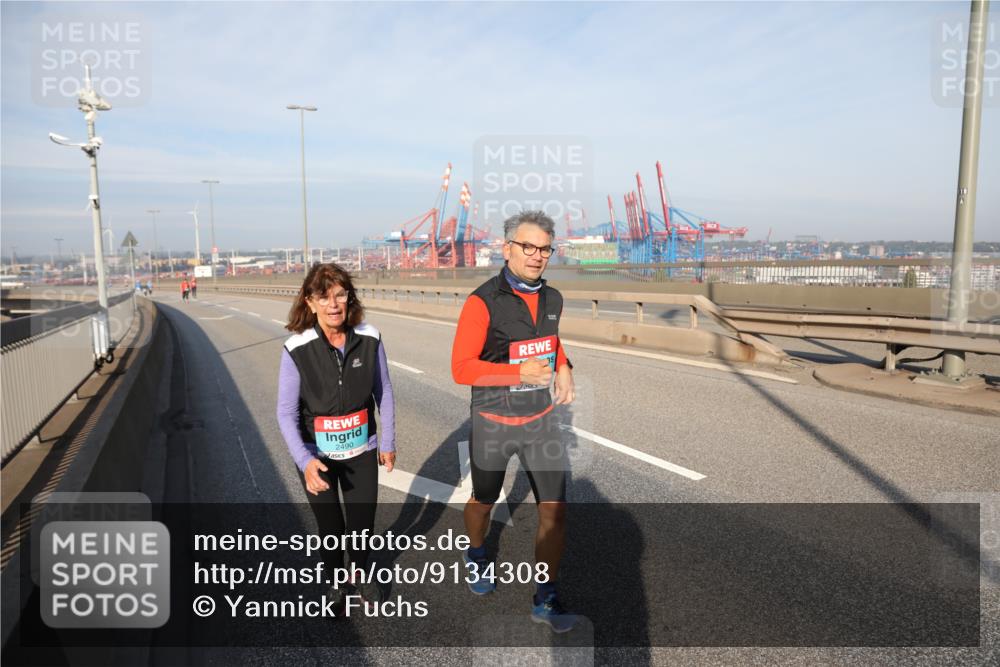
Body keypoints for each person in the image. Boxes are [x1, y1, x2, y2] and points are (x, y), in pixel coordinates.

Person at [451, 210, 577, 632]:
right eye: (528, 247)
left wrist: (564, 365)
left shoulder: (554, 299)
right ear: (507, 249)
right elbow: (461, 368)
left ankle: (546, 594)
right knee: (483, 501)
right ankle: (477, 551)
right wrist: (517, 374)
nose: (537, 256)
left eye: (544, 248)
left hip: (541, 421)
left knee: (555, 513)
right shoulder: (482, 301)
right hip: (493, 421)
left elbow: (549, 342)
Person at [276, 262, 396, 607]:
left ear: (349, 298)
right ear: (310, 302)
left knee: (361, 526)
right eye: (323, 297)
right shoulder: (297, 347)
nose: (333, 304)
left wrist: (386, 442)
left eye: (340, 295)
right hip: (318, 457)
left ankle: (358, 573)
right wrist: (305, 461)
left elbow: (383, 391)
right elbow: (285, 413)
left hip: (361, 450)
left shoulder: (369, 337)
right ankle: (334, 583)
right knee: (331, 530)